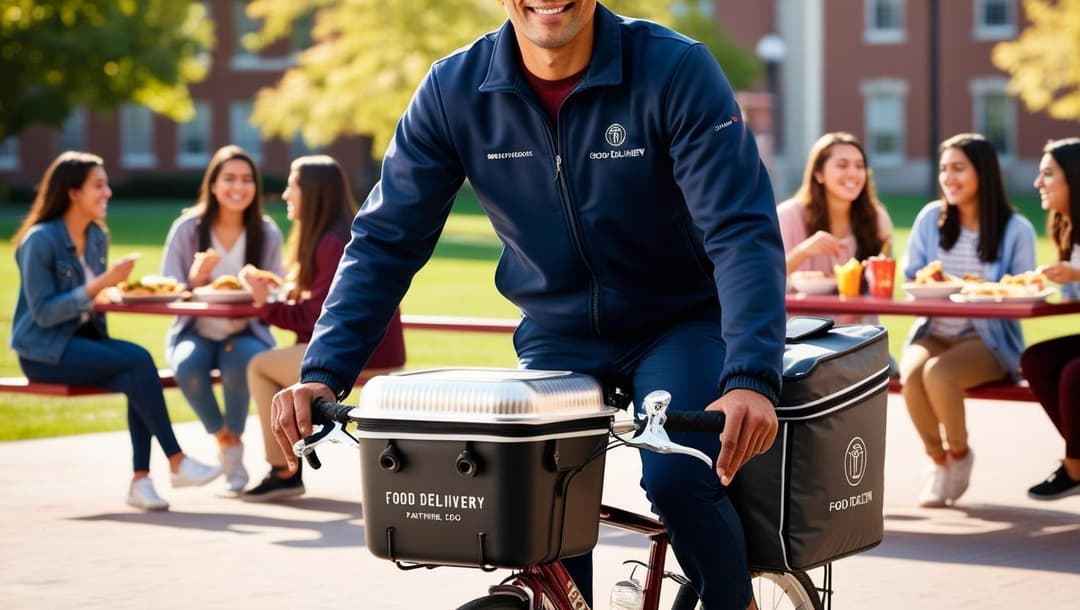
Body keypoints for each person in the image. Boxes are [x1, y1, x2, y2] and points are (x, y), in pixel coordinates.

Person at [270, 3, 786, 609]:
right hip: (558, 330)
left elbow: (740, 229)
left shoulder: (673, 69)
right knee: (538, 494)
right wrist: (322, 372)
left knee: (678, 475)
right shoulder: (453, 90)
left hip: (682, 321)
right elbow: (386, 241)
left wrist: (751, 377)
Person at [10, 151, 221, 511]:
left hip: (84, 343)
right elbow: (43, 314)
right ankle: (176, 460)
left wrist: (119, 290)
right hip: (43, 351)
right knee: (139, 362)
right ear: (73, 192)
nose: (107, 192)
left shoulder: (95, 237)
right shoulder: (40, 240)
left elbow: (95, 299)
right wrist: (100, 285)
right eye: (98, 185)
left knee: (135, 374)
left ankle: (141, 481)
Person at [241, 155, 406, 502]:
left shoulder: (330, 242)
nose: (285, 194)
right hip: (377, 351)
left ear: (312, 193)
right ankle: (287, 464)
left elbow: (314, 318)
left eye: (292, 186)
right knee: (272, 364)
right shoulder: (341, 234)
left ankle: (283, 470)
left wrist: (263, 304)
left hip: (360, 356)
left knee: (259, 366)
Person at [900, 133, 1037, 508]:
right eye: (944, 169)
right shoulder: (931, 218)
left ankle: (959, 455)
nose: (949, 177)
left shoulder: (1015, 230)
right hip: (934, 330)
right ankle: (938, 461)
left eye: (958, 168)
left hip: (986, 340)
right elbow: (912, 276)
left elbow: (1024, 288)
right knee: (909, 375)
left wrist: (981, 289)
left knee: (938, 375)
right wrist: (932, 280)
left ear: (984, 173)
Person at [161, 145, 285, 494]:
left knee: (240, 364)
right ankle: (226, 441)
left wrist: (262, 287)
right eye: (229, 178)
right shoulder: (188, 229)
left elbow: (279, 288)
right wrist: (194, 281)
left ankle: (235, 441)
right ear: (213, 184)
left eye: (247, 179)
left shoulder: (266, 231)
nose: (238, 186)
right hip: (195, 330)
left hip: (247, 331)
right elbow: (168, 288)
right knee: (187, 366)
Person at [778, 131, 894, 324]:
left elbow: (882, 287)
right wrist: (803, 251)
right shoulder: (789, 216)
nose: (853, 173)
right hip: (804, 335)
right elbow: (765, 280)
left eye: (860, 166)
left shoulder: (877, 218)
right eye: (842, 165)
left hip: (861, 335)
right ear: (818, 174)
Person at [1021, 137, 1080, 500]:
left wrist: (1075, 276)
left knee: (1076, 374)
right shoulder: (1068, 228)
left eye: (1047, 174)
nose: (1037, 183)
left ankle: (1074, 467)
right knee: (1037, 360)